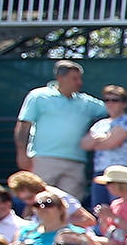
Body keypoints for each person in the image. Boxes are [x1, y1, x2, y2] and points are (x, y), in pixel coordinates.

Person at [14, 60, 106, 198]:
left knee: (72, 206)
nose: (79, 82)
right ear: (60, 78)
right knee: (37, 201)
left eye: (80, 78)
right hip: (43, 159)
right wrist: (22, 154)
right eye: (74, 78)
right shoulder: (38, 96)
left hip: (76, 162)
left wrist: (98, 133)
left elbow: (113, 110)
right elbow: (23, 125)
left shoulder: (87, 102)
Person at [79, 85, 127, 212]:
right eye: (107, 100)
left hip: (121, 175)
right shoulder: (100, 124)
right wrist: (101, 139)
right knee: (100, 210)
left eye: (115, 100)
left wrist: (96, 140)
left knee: (118, 210)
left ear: (124, 103)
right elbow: (84, 144)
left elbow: (111, 143)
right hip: (100, 173)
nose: (110, 103)